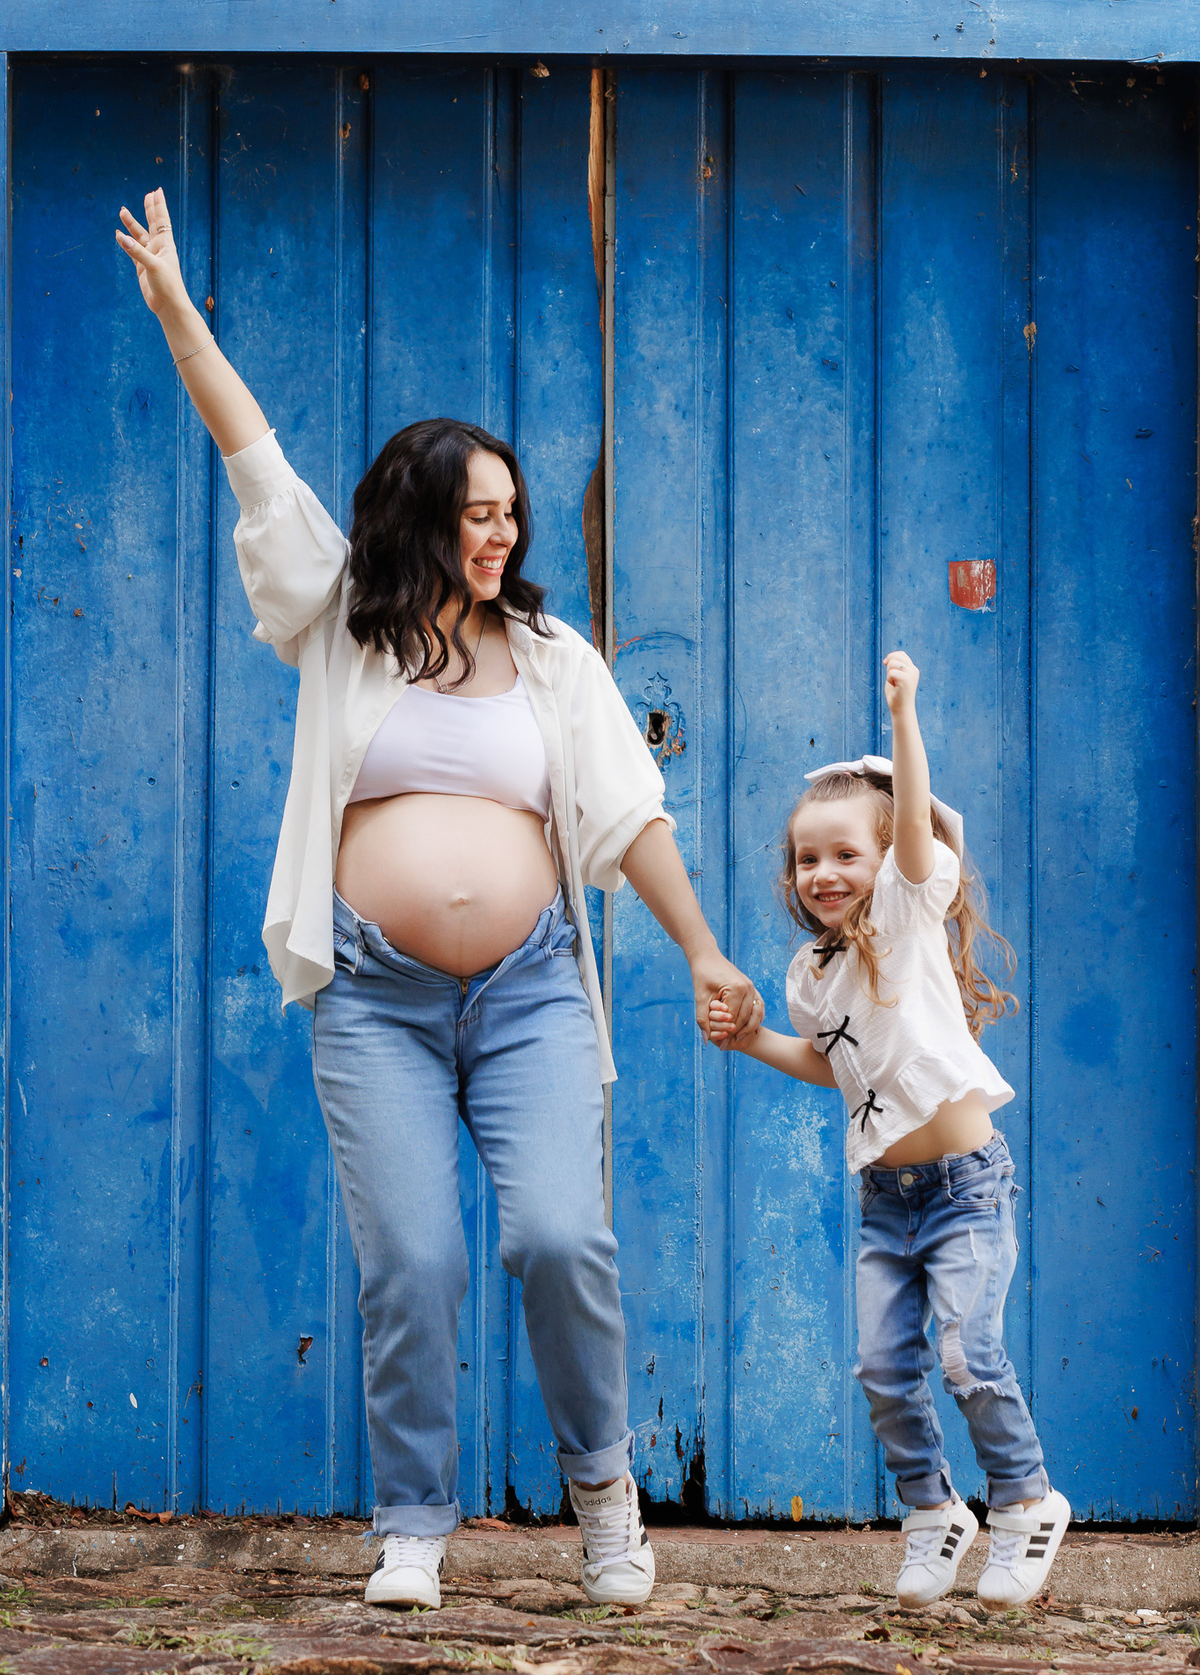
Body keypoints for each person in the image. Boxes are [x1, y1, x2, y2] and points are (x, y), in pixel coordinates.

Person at [116, 188, 764, 1611]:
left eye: (510, 510)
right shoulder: (339, 620)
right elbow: (253, 456)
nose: (501, 531)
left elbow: (624, 816)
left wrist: (707, 951)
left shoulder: (550, 653)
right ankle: (414, 1517)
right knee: (411, 1257)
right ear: (421, 516)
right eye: (477, 512)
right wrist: (178, 315)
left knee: (557, 1237)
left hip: (530, 986)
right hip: (375, 997)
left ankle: (606, 1497)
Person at [708, 650, 1070, 1612]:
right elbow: (834, 1065)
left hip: (963, 1187)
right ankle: (930, 1512)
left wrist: (903, 715)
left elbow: (913, 823)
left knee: (967, 1354)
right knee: (882, 1366)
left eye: (844, 854)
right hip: (887, 1204)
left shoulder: (910, 911)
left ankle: (1026, 1503)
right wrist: (753, 1042)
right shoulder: (809, 972)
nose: (824, 873)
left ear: (883, 861)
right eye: (806, 858)